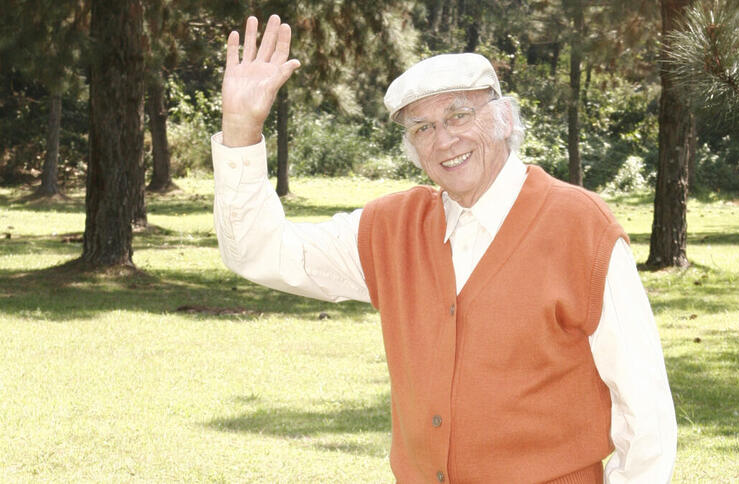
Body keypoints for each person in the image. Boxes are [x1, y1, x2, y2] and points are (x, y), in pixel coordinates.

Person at [212, 15, 677, 484]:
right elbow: (258, 250)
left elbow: (645, 411)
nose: (444, 140)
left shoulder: (580, 226)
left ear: (504, 118)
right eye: (422, 128)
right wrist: (239, 127)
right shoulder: (391, 230)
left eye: (459, 115)